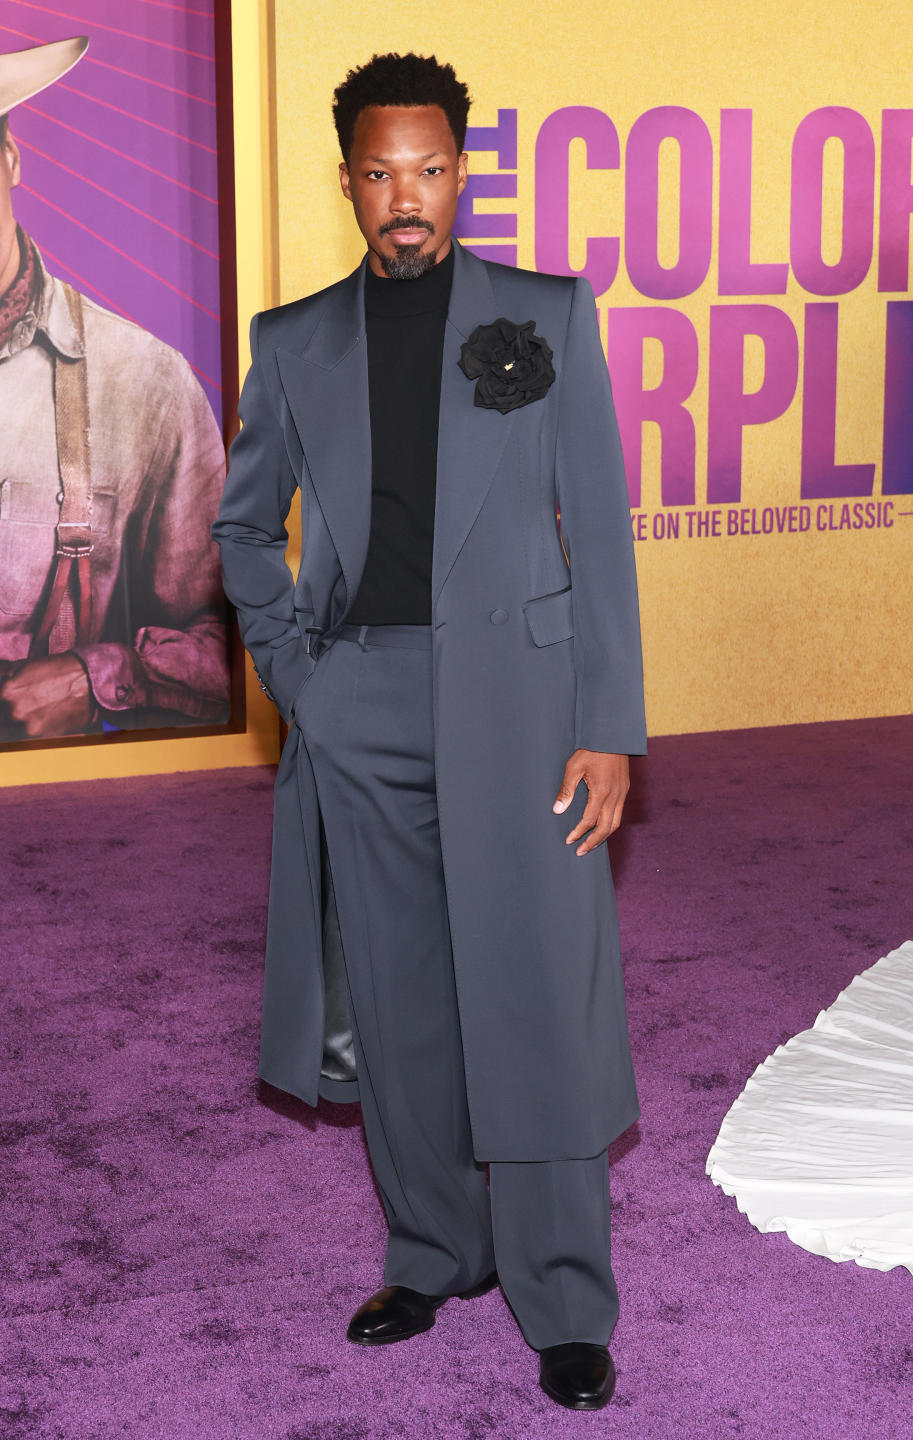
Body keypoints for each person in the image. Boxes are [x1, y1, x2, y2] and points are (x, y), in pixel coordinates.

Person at [214, 52, 646, 1411]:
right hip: (364, 704)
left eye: (431, 169)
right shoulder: (292, 343)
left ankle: (564, 1298)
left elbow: (605, 534)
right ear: (348, 179)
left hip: (525, 709)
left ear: (465, 168)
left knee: (539, 996)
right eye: (380, 173)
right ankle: (431, 1250)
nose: (407, 198)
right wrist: (306, 681)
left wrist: (611, 725)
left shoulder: (548, 315)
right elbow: (238, 530)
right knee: (399, 1004)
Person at [0, 37, 229, 743]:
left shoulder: (144, 381)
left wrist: (99, 677)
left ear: (9, 158)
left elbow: (237, 645)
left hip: (63, 806)